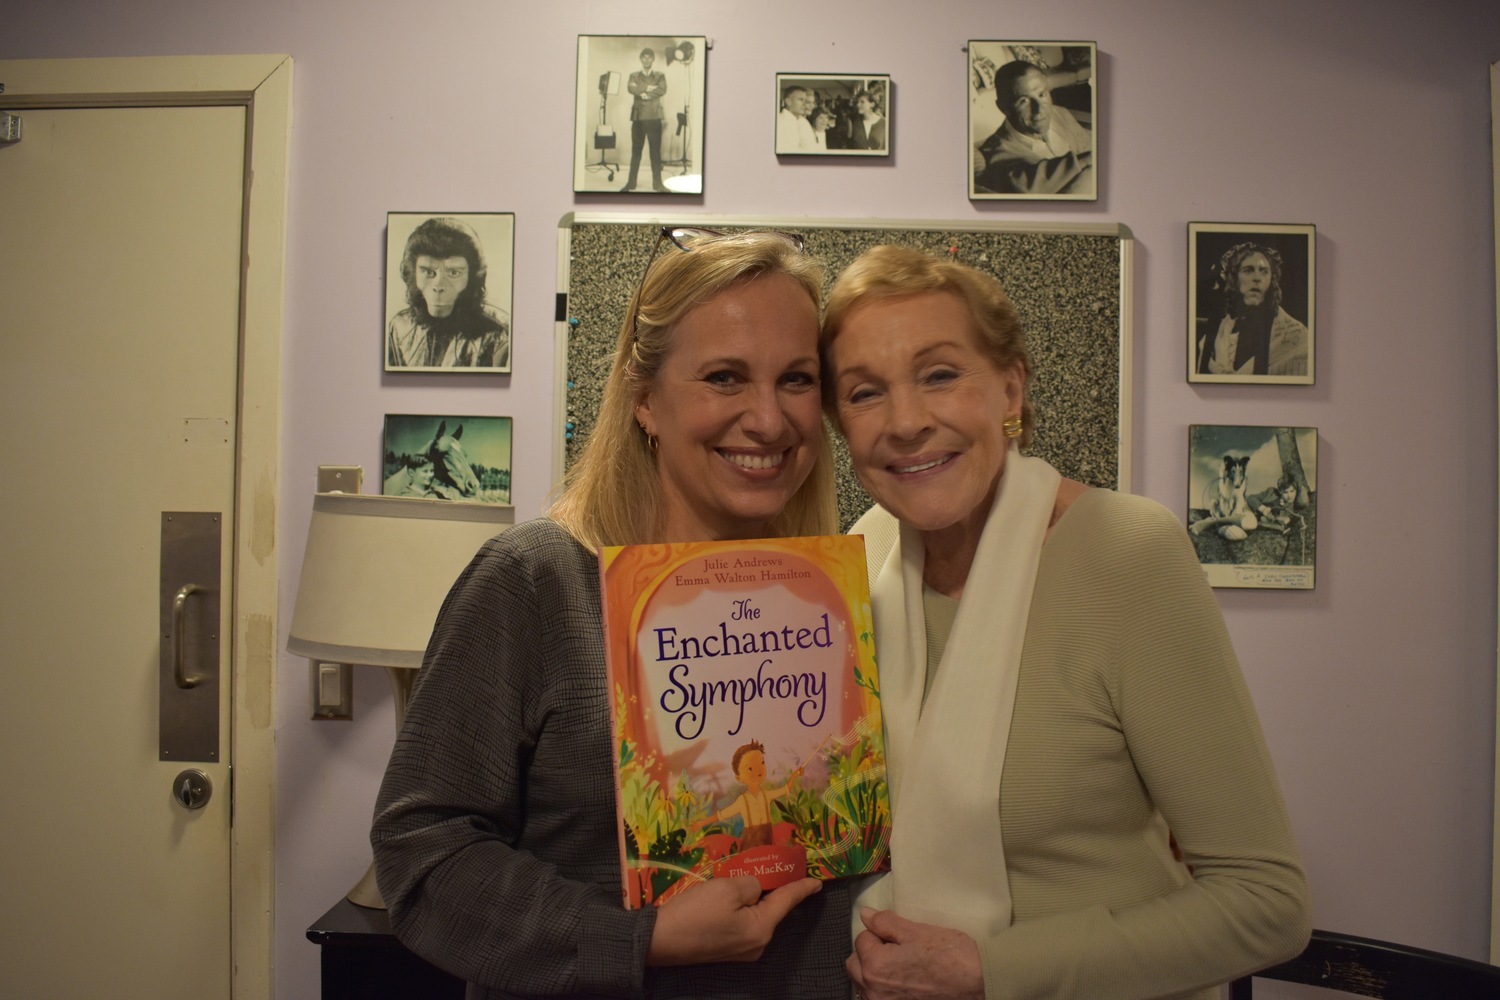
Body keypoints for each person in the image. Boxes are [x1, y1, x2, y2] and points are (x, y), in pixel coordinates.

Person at [372, 228, 855, 999]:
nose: (769, 419)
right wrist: (641, 940)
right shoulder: (535, 583)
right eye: (725, 378)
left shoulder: (838, 602)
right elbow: (424, 855)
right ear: (644, 401)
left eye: (796, 380)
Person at [819, 245, 1312, 1000]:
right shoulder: (857, 561)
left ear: (1010, 388)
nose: (907, 422)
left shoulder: (1128, 554)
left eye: (941, 374)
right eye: (864, 393)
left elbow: (1267, 904)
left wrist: (991, 972)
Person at [386, 217, 512, 369]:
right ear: (412, 273)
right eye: (428, 272)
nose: (438, 286)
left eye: (453, 272)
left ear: (472, 277)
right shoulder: (399, 327)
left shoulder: (500, 334)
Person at [973, 60, 1093, 196]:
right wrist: (1086, 160)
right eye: (1024, 101)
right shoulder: (996, 153)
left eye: (1042, 94)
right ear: (1003, 107)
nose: (1039, 109)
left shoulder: (1060, 114)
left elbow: (1087, 146)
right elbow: (1025, 188)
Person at [1196, 242, 1310, 377]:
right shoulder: (1216, 334)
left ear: (1271, 279)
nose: (1257, 278)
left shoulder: (1296, 334)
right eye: (1248, 270)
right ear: (1234, 278)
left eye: (1264, 271)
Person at [622, 47, 668, 193]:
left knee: (655, 152)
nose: (647, 59)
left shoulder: (660, 75)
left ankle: (658, 185)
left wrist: (643, 91)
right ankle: (631, 183)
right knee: (636, 151)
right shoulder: (633, 75)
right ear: (641, 59)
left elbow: (662, 89)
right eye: (644, 57)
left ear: (653, 59)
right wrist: (648, 87)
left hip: (654, 117)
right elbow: (630, 88)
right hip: (638, 118)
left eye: (649, 57)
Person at [776, 86, 817, 153]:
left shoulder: (803, 121)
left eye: (805, 100)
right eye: (801, 100)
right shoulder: (779, 122)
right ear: (788, 101)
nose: (805, 104)